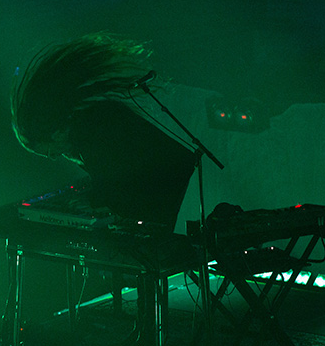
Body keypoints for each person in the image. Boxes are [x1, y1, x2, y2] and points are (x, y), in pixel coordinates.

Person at [11, 32, 195, 231]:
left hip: (183, 197)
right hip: (182, 190)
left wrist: (89, 203)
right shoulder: (95, 118)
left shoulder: (91, 135)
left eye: (49, 152)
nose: (55, 157)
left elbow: (115, 190)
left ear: (55, 133)